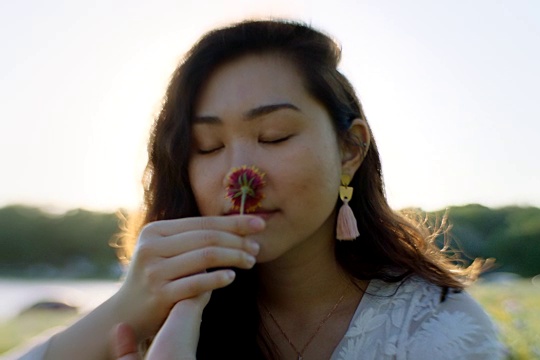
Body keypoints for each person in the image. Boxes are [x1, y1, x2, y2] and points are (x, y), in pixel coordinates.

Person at [16, 19, 506, 359]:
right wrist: (129, 307)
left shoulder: (437, 331)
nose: (238, 174)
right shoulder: (160, 318)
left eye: (274, 136)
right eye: (207, 146)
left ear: (350, 149)